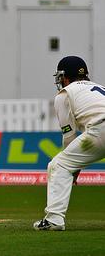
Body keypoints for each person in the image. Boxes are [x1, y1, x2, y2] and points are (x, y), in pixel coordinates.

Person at [34, 56, 105, 231]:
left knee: (59, 165)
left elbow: (69, 135)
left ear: (64, 76)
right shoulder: (100, 88)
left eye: (60, 76)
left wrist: (73, 167)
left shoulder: (65, 93)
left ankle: (54, 220)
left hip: (101, 129)